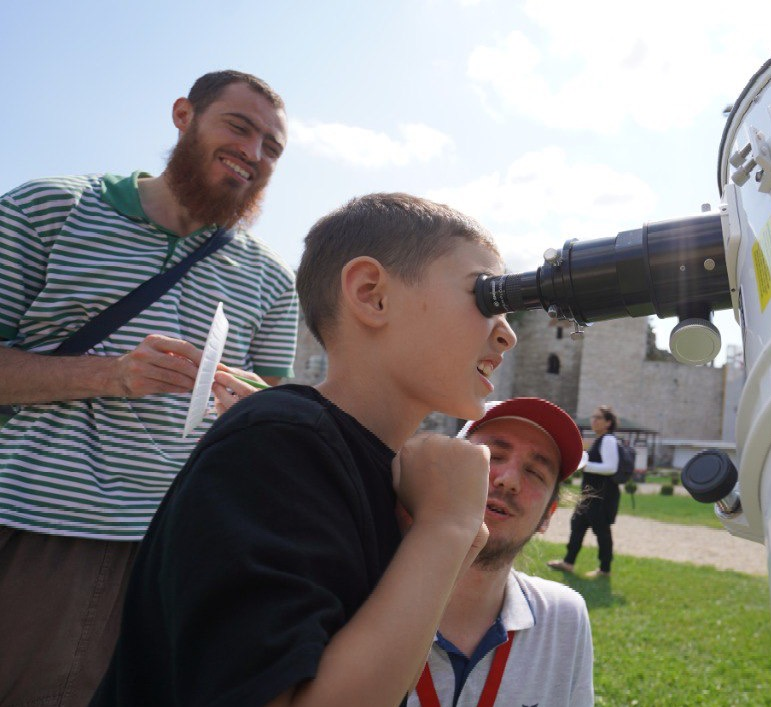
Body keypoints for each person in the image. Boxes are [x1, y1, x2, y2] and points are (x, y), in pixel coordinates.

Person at [90, 193, 516, 706]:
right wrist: (444, 528)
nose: (507, 335)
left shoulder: (366, 466)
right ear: (372, 294)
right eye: (487, 296)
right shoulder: (278, 443)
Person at [0, 70, 299, 706]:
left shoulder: (273, 279)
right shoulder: (48, 209)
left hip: (176, 549)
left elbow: (273, 408)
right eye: (237, 128)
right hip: (37, 528)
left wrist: (253, 409)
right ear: (183, 114)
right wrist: (108, 373)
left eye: (271, 147)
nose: (253, 153)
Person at [408, 397, 593, 707]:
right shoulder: (361, 600)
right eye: (492, 456)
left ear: (548, 516)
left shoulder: (564, 619)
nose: (508, 481)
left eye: (535, 472)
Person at [548, 405, 622, 578]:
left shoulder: (609, 440)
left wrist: (584, 464)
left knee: (601, 532)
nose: (593, 420)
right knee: (577, 525)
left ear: (608, 423)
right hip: (589, 496)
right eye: (593, 417)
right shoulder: (600, 439)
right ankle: (568, 562)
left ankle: (605, 570)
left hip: (602, 497)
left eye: (598, 418)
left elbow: (611, 468)